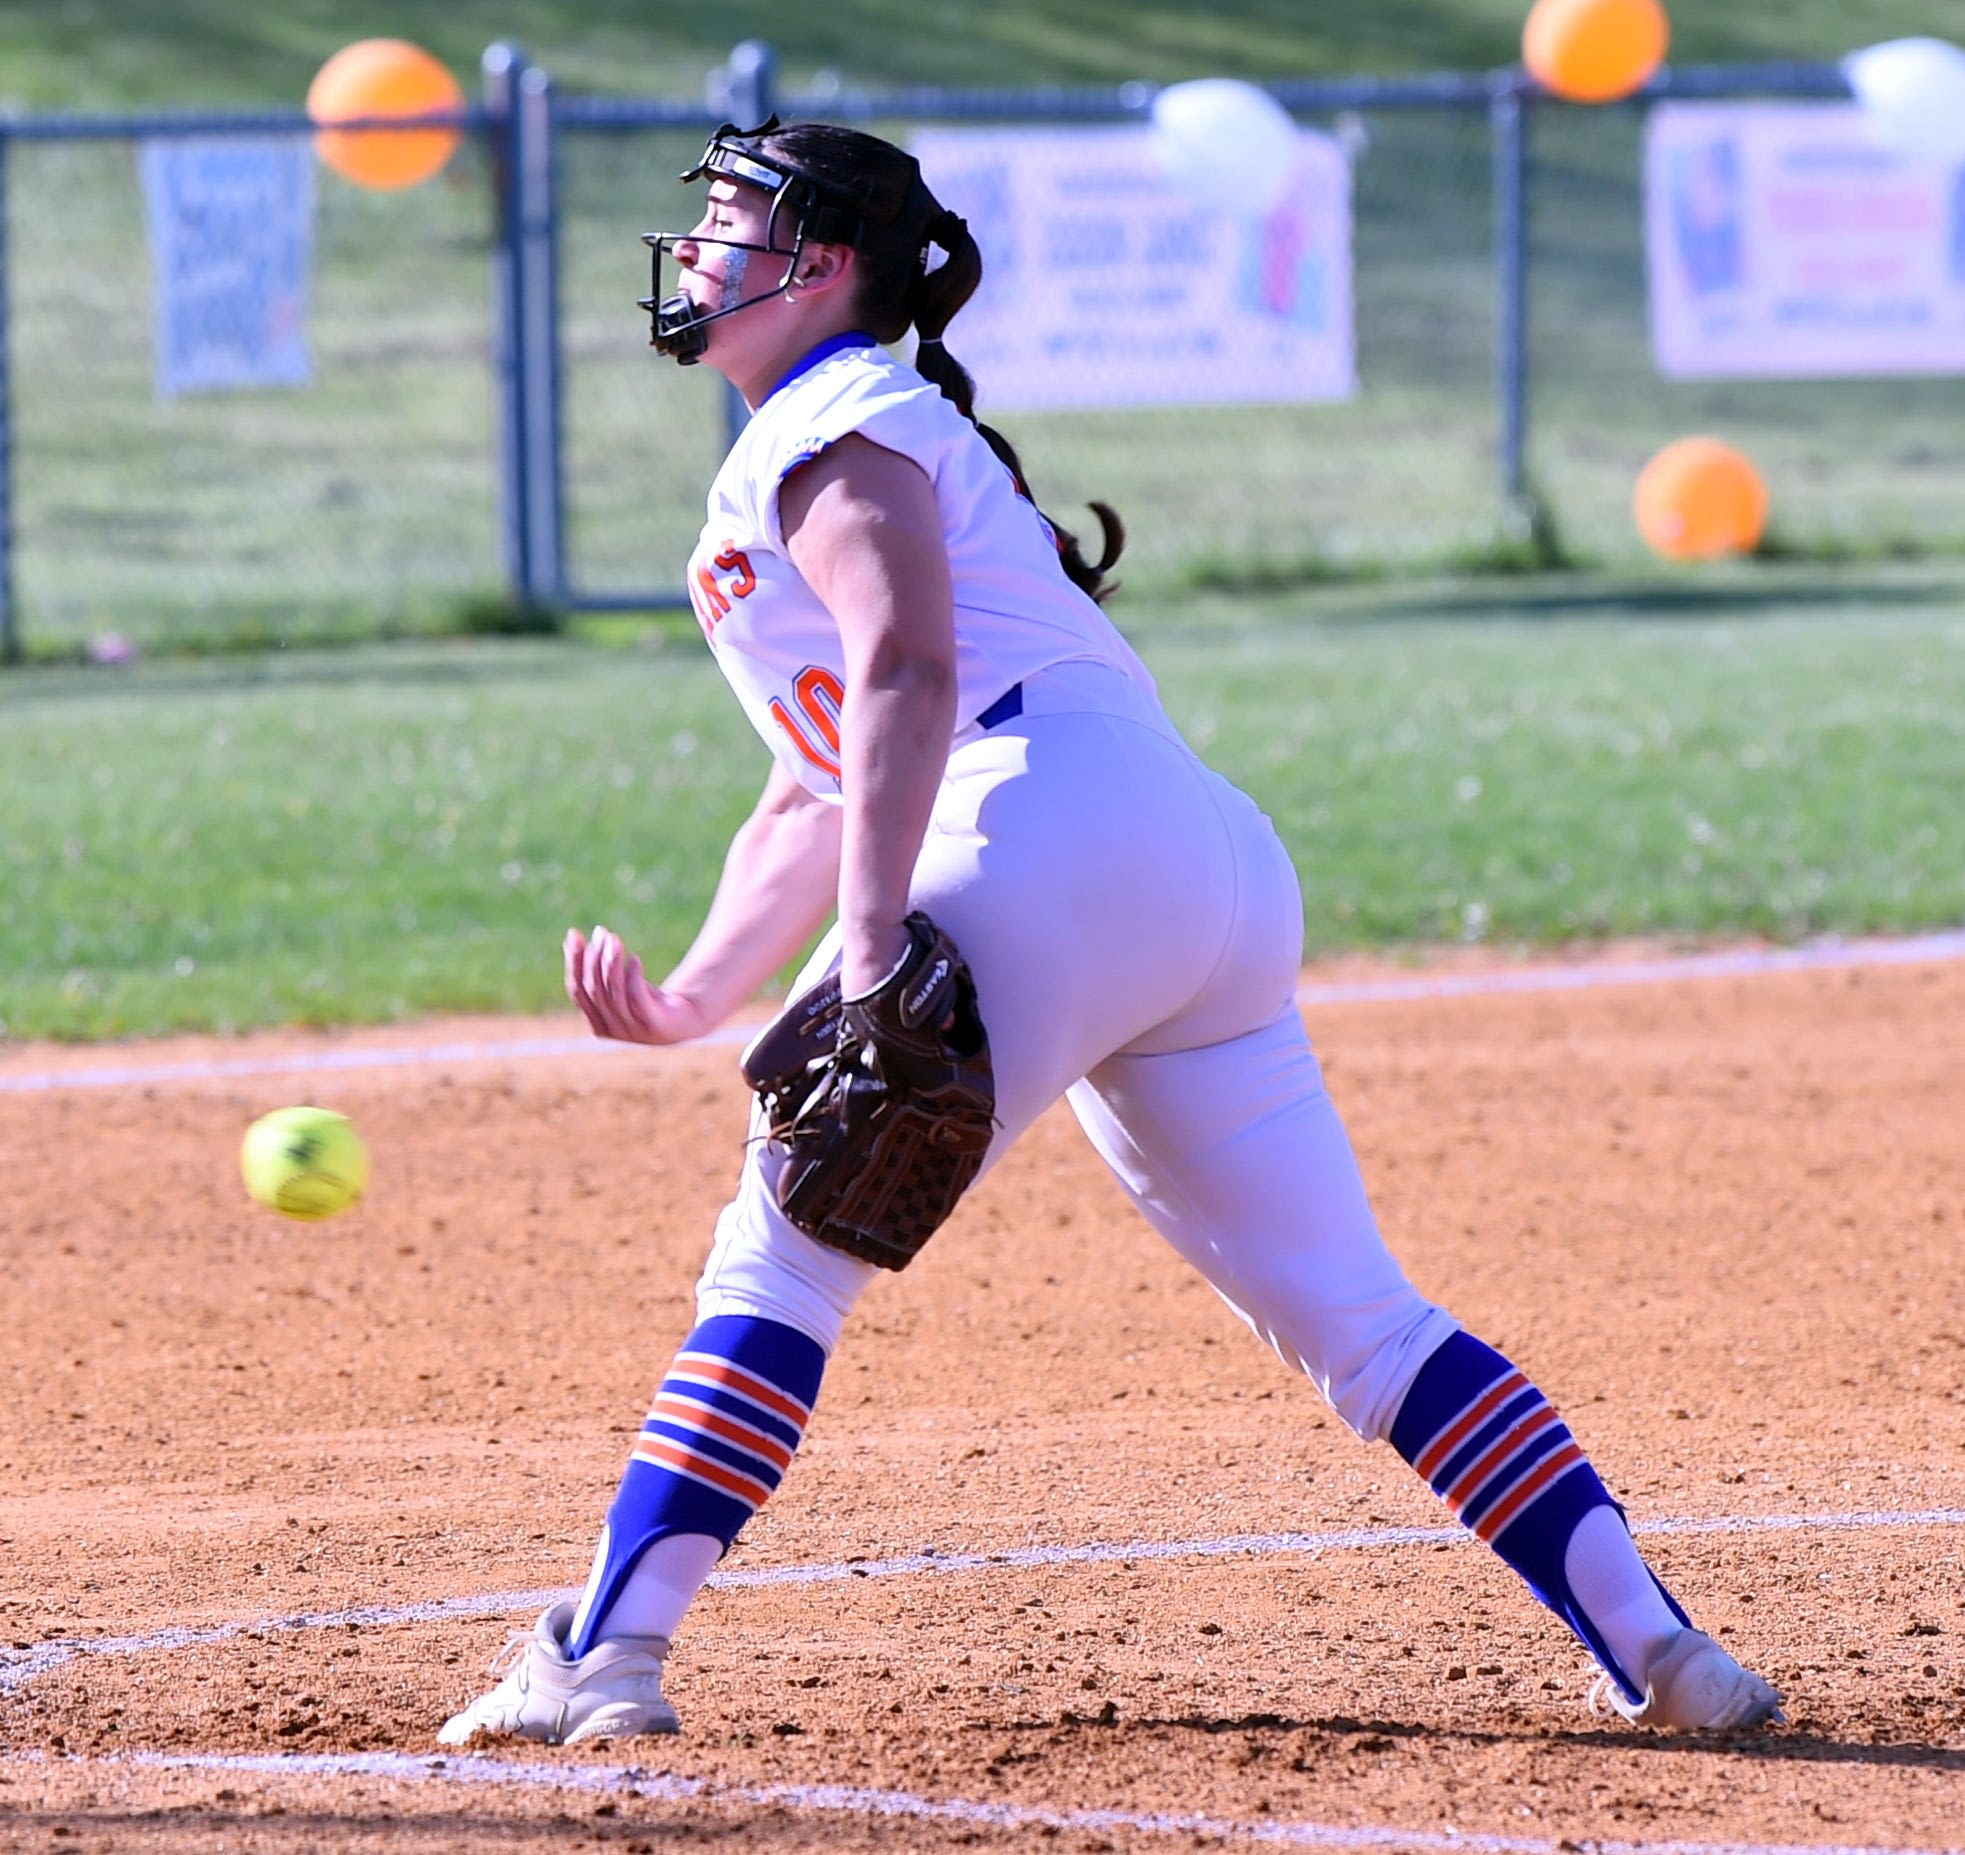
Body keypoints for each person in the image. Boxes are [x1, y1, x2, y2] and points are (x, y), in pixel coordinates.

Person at [439, 119, 1782, 1746]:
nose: (702, 245)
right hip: (1193, 862)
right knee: (1362, 1322)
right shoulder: (860, 423)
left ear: (832, 264)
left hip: (1027, 829)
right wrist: (697, 991)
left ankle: (601, 1655)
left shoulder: (840, 413)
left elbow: (906, 684)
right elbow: (814, 783)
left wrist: (871, 948)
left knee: (779, 1265)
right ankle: (1662, 1651)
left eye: (738, 217)